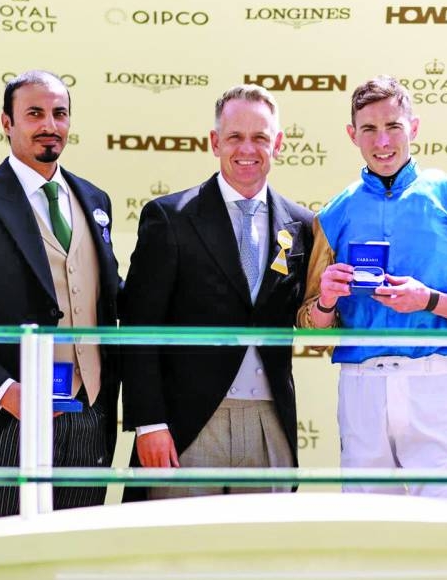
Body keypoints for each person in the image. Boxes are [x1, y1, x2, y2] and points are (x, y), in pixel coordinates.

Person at [297, 75, 447, 500]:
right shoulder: (332, 215)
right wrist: (327, 301)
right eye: (369, 129)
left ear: (414, 126)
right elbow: (309, 327)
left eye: (393, 126)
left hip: (433, 381)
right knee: (367, 532)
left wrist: (428, 299)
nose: (382, 141)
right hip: (360, 386)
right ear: (352, 135)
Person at [120, 84, 313, 499]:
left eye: (260, 137)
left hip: (270, 424)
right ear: (214, 142)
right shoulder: (170, 218)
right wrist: (149, 423)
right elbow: (138, 326)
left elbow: (308, 313)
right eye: (235, 137)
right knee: (176, 557)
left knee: (261, 556)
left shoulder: (303, 225)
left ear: (278, 144)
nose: (248, 148)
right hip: (187, 426)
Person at [0, 70, 121, 519]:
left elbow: (105, 297)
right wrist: (5, 392)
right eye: (34, 113)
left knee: (72, 557)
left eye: (59, 113)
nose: (49, 124)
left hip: (89, 416)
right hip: (7, 421)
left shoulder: (94, 198)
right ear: (7, 123)